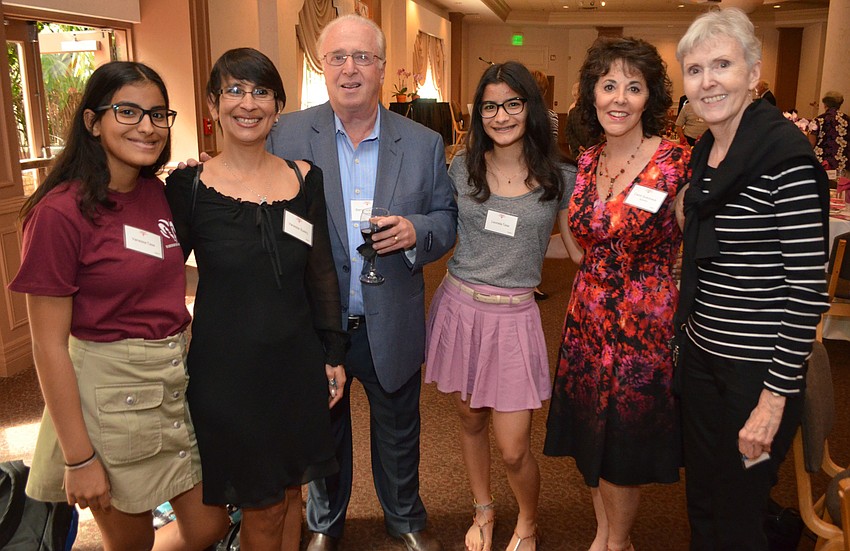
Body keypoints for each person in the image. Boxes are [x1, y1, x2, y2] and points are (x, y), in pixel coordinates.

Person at [8, 61, 228, 551]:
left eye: (157, 114)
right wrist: (78, 457)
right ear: (92, 121)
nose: (147, 127)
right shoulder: (59, 213)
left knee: (209, 526)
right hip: (108, 392)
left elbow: (157, 273)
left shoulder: (155, 192)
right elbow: (48, 346)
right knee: (130, 544)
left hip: (170, 379)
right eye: (127, 112)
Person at [266, 14, 457, 551]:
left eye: (362, 58)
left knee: (399, 428)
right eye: (337, 58)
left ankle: (405, 519)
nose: (350, 69)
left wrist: (417, 229)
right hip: (315, 320)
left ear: (381, 67)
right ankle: (326, 523)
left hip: (390, 315)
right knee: (323, 431)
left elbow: (447, 221)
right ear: (321, 66)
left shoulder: (422, 143)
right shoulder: (287, 133)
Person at [164, 48, 348, 551]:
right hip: (229, 374)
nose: (248, 103)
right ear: (213, 104)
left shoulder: (305, 176)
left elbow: (321, 271)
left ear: (278, 104)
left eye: (261, 91)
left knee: (292, 494)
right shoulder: (189, 186)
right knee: (262, 508)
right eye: (235, 89)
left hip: (295, 363)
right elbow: (156, 275)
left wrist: (333, 353)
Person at [675, 8, 829, 549]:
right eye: (695, 70)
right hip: (701, 357)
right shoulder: (705, 154)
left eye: (722, 64)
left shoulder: (784, 155)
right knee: (703, 499)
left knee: (740, 510)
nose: (708, 80)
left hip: (756, 372)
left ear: (754, 73)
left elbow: (808, 287)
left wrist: (772, 399)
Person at [543, 37, 690, 551]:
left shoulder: (676, 162)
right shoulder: (586, 160)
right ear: (593, 94)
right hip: (585, 320)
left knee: (623, 447)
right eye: (609, 86)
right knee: (591, 436)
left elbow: (703, 243)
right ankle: (605, 536)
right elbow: (576, 227)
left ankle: (616, 541)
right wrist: (591, 270)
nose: (620, 98)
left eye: (634, 86)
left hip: (642, 330)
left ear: (651, 97)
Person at [425, 61, 576, 551]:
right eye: (490, 105)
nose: (501, 115)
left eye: (513, 103)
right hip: (461, 308)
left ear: (531, 108)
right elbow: (434, 221)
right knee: (470, 421)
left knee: (513, 448)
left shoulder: (559, 176)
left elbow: (578, 250)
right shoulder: (460, 166)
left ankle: (527, 522)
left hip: (514, 319)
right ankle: (483, 509)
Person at [809, 90, 849, 174]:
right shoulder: (847, 120)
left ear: (825, 104)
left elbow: (811, 144)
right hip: (843, 164)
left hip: (822, 163)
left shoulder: (818, 120)